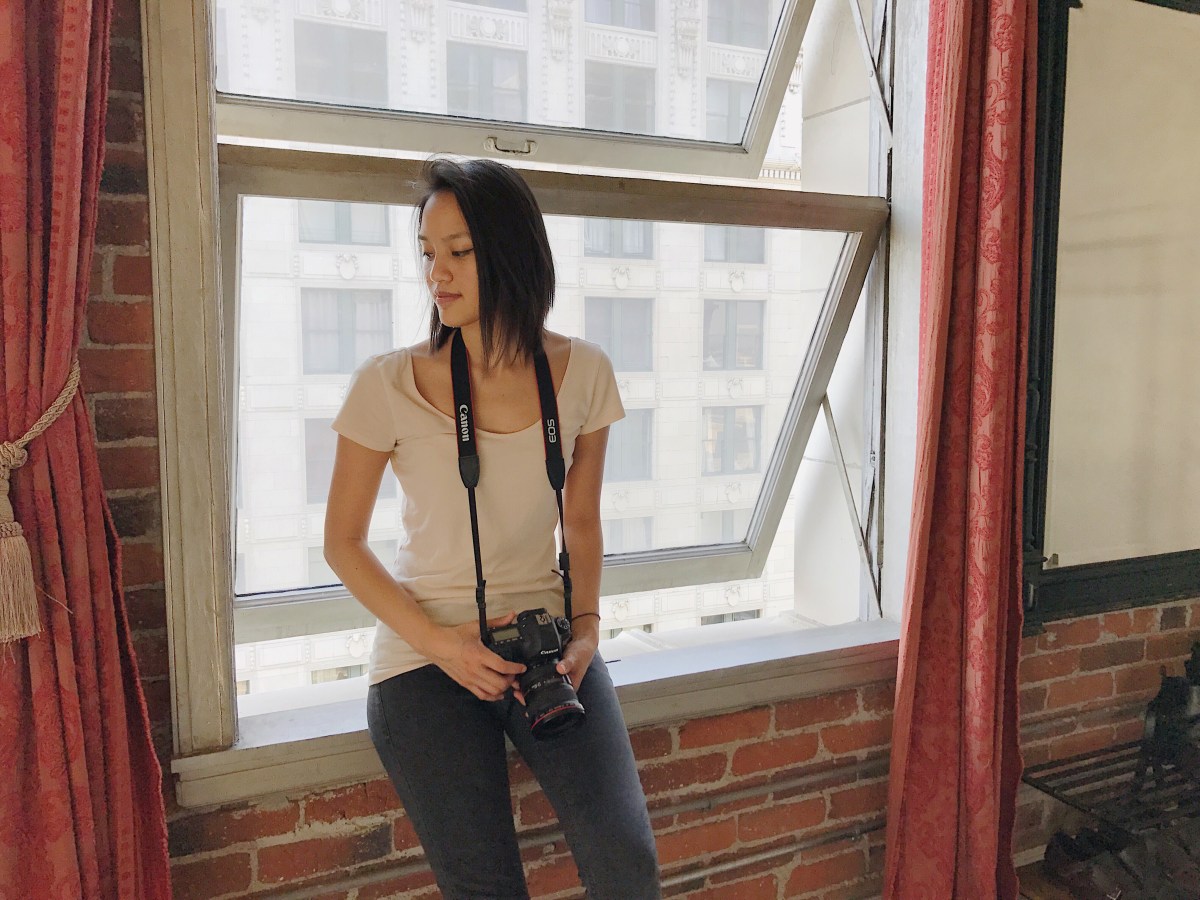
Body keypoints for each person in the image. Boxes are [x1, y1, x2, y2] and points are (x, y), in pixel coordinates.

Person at [323, 157, 661, 899]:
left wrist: (586, 631)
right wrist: (444, 645)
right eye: (427, 253)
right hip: (424, 657)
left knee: (626, 863)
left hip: (547, 643)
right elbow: (341, 543)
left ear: (510, 252)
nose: (436, 274)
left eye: (459, 251)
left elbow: (580, 520)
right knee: (487, 891)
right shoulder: (385, 383)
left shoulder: (584, 372)